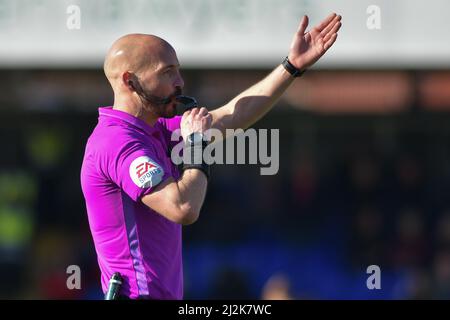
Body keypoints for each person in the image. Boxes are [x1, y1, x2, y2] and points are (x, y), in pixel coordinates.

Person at [80, 13, 342, 299]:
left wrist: (291, 66)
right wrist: (195, 144)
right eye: (167, 72)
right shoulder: (117, 142)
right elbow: (183, 208)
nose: (179, 81)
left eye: (178, 71)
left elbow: (233, 115)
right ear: (130, 81)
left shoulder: (152, 131)